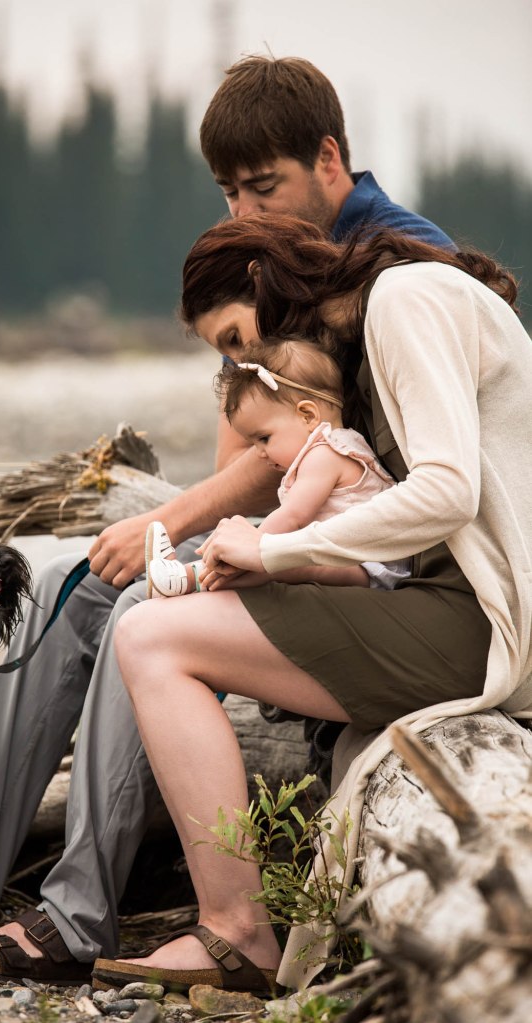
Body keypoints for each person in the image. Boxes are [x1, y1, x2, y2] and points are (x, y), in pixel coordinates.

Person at [0, 55, 456, 984]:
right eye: (229, 192)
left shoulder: (394, 269)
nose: (245, 212)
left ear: (330, 159)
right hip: (305, 545)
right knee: (73, 580)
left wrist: (171, 523)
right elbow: (249, 438)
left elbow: (304, 451)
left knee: (143, 615)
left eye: (265, 186)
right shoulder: (281, 258)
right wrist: (176, 528)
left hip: (380, 578)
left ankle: (74, 914)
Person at [89, 212, 531, 994]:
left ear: (262, 285)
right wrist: (283, 563)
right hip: (456, 606)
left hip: (490, 627)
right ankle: (233, 921)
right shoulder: (365, 340)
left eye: (234, 340)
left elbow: (449, 492)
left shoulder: (403, 299)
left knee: (152, 637)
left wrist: (278, 551)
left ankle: (235, 931)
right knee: (159, 624)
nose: (245, 366)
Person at [147, 337, 409, 597]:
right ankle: (187, 576)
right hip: (347, 556)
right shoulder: (330, 448)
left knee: (273, 562)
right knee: (266, 561)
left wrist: (250, 541)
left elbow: (293, 517)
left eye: (264, 439)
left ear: (307, 415)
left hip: (370, 567)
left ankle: (186, 577)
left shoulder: (325, 454)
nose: (259, 453)